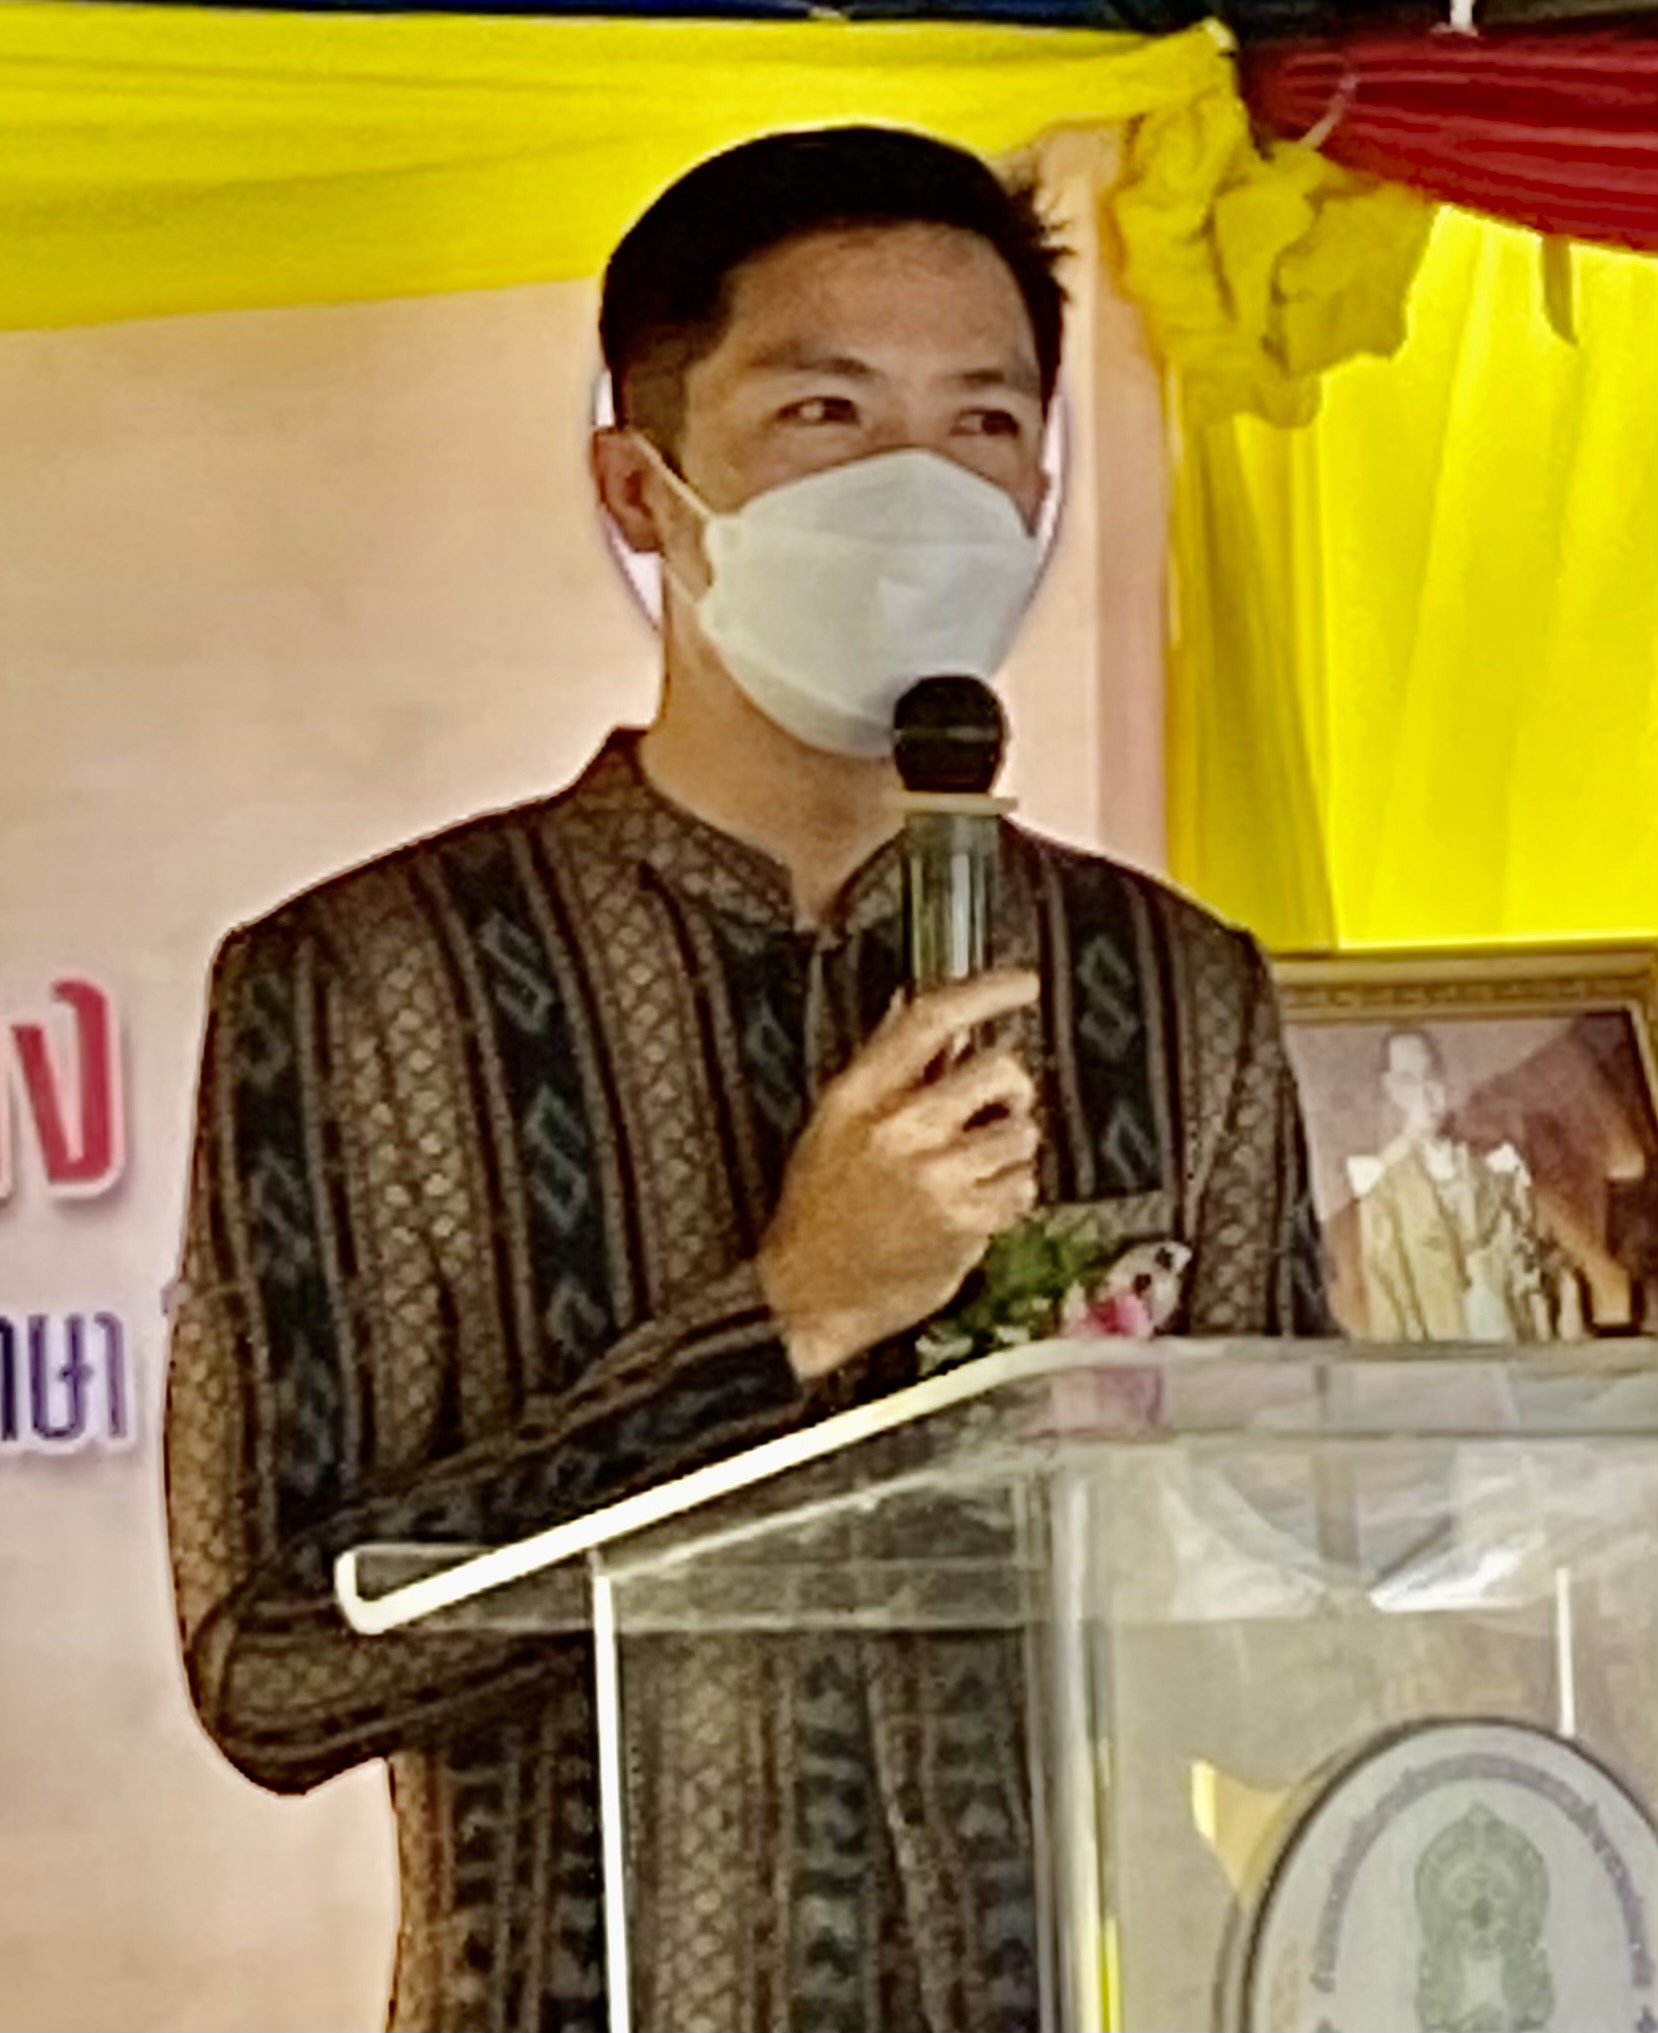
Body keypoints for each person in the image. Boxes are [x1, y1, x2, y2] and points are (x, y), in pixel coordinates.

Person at [164, 125, 1332, 2033]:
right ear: (640, 484)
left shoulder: (1170, 988)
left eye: (980, 422)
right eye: (824, 412)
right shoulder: (367, 985)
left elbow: (1290, 1646)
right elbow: (277, 1666)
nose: (919, 490)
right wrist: (785, 1314)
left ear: (1043, 482)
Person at [1356, 1026, 1582, 1341]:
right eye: (1408, 1081)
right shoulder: (1384, 1188)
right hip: (1444, 1349)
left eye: (1431, 1077)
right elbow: (1388, 1298)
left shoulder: (1495, 1165)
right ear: (1391, 1090)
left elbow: (1538, 1263)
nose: (1424, 1094)